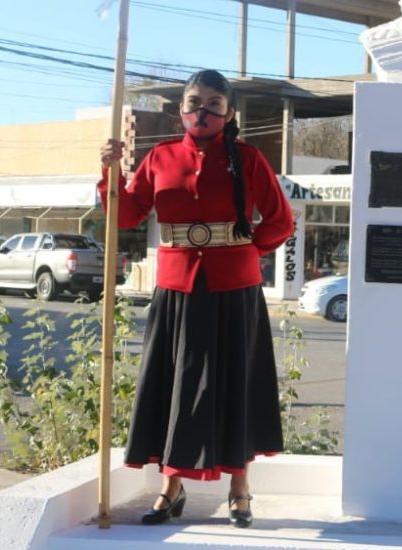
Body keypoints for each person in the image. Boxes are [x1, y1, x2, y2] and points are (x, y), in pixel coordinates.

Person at [98, 69, 294, 528]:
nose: (201, 111)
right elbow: (125, 216)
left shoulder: (247, 159)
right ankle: (172, 486)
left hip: (235, 291)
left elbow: (280, 221)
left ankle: (240, 489)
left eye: (212, 103)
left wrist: (245, 253)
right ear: (180, 109)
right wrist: (110, 172)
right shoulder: (160, 158)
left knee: (235, 386)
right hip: (177, 289)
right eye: (192, 102)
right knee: (176, 389)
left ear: (229, 113)